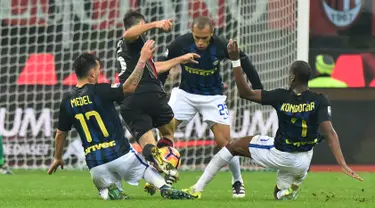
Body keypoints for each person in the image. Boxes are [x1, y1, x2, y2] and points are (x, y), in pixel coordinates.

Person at [183, 40, 363, 200]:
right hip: (304, 161)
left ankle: (196, 189)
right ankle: (292, 185)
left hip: (281, 155)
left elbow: (245, 93)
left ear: (292, 77)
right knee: (278, 194)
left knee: (232, 146)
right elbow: (329, 132)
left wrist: (236, 61)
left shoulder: (281, 96)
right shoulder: (320, 100)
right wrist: (343, 164)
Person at [47, 47, 194, 200]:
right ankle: (164, 187)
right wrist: (142, 60)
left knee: (103, 188)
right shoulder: (101, 90)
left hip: (95, 163)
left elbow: (60, 133)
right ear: (91, 73)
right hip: (120, 155)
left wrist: (57, 157)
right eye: (98, 70)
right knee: (145, 169)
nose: (99, 73)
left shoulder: (66, 101)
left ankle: (111, 191)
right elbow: (129, 87)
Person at [158, 16, 264, 198]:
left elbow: (243, 60)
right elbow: (164, 65)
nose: (200, 42)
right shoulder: (181, 43)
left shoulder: (222, 45)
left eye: (204, 38)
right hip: (185, 94)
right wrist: (157, 88)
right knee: (165, 128)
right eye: (197, 37)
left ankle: (237, 180)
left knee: (225, 142)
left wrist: (258, 87)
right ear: (192, 32)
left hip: (212, 97)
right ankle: (167, 172)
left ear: (212, 34)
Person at [117, 10, 199, 177]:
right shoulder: (132, 39)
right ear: (141, 24)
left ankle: (156, 169)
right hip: (151, 93)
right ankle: (163, 164)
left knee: (149, 145)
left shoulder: (128, 49)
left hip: (129, 100)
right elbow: (128, 34)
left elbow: (155, 68)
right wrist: (156, 24)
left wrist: (180, 59)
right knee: (168, 132)